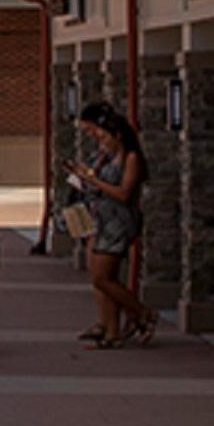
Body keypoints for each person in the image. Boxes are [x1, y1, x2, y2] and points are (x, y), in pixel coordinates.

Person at [70, 100, 156, 347]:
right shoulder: (106, 156)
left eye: (103, 135)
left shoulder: (131, 158)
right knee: (98, 276)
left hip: (118, 222)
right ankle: (111, 330)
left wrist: (94, 181)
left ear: (117, 135)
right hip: (101, 218)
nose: (100, 140)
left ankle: (142, 313)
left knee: (103, 278)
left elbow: (124, 193)